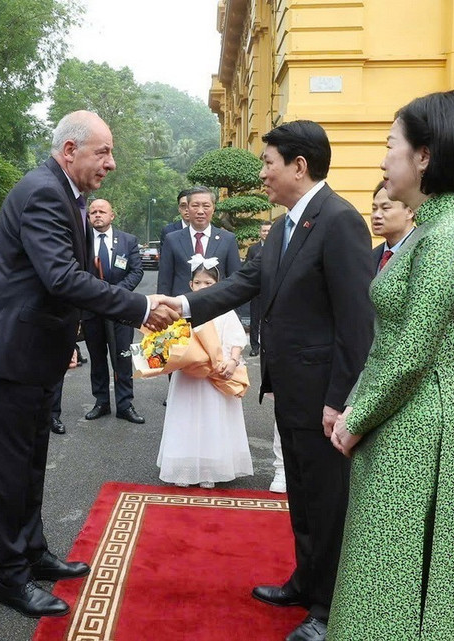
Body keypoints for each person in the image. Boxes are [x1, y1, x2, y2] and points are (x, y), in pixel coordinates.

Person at [0, 110, 178, 619]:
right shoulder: (43, 192)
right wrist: (142, 307)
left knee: (33, 458)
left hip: (37, 348)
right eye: (102, 151)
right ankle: (10, 575)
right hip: (11, 352)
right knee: (9, 468)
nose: (111, 162)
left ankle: (32, 551)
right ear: (69, 151)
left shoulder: (67, 195)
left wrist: (72, 336)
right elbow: (61, 277)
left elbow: (64, 279)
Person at [168, 120, 375, 641]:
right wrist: (184, 306)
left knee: (329, 502)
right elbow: (244, 283)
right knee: (303, 493)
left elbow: (356, 324)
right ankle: (305, 582)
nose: (263, 174)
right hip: (290, 389)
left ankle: (329, 609)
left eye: (268, 163)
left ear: (298, 166)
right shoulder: (286, 226)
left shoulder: (340, 221)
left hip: (324, 396)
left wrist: (341, 400)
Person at [328, 89, 454, 640]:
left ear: (423, 155)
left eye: (389, 145)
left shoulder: (447, 236)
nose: (382, 160)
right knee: (388, 564)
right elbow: (395, 342)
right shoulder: (432, 226)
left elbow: (411, 353)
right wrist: (356, 402)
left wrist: (356, 417)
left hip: (420, 425)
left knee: (398, 571)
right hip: (407, 417)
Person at [157, 258, 252, 489]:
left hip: (215, 375)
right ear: (190, 285)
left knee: (213, 419)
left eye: (208, 283)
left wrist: (231, 360)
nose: (202, 287)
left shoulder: (225, 310)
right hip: (189, 376)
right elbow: (171, 340)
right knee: (186, 419)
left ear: (217, 285)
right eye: (198, 283)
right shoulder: (182, 312)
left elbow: (235, 337)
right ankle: (184, 468)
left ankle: (210, 468)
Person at [82, 198, 146, 424]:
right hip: (92, 309)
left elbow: (136, 271)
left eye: (102, 211)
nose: (97, 215)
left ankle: (125, 404)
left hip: (120, 311)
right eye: (93, 212)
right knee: (97, 358)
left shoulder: (128, 241)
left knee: (122, 358)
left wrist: (116, 294)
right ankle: (101, 402)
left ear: (112, 216)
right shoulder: (81, 241)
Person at [157, 186, 241, 297]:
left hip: (218, 307)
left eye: (206, 206)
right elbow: (164, 282)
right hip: (181, 309)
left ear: (213, 208)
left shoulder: (227, 239)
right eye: (195, 206)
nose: (200, 211)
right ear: (188, 208)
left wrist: (235, 313)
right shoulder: (172, 239)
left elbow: (235, 281)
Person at [369, 181, 414, 273]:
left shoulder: (423, 251)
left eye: (385, 208)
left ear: (410, 212)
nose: (377, 215)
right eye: (374, 209)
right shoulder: (372, 256)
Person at [244, 222, 271, 357]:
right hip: (256, 291)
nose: (266, 233)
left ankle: (269, 345)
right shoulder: (253, 249)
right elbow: (247, 268)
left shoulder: (277, 246)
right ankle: (255, 346)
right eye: (264, 231)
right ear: (260, 233)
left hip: (272, 290)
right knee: (255, 320)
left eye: (268, 231)